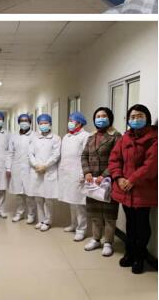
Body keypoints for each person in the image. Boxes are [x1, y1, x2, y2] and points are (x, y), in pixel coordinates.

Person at [108, 104, 158, 274]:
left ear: (147, 118)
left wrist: (132, 179)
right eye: (133, 117)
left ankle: (139, 257)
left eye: (140, 116)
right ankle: (129, 252)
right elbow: (114, 159)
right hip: (125, 189)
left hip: (144, 190)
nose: (136, 119)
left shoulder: (154, 139)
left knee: (142, 225)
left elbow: (151, 165)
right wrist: (119, 177)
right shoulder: (125, 138)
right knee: (130, 223)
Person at [81, 107, 122, 256]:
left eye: (104, 116)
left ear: (110, 118)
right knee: (95, 212)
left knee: (109, 214)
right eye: (98, 116)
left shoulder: (116, 136)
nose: (100, 119)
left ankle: (108, 242)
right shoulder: (91, 137)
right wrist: (87, 172)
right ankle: (96, 239)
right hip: (92, 181)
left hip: (108, 181)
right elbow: (84, 155)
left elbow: (118, 159)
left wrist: (105, 175)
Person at [58, 112, 90, 241]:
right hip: (67, 173)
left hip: (78, 173)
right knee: (71, 201)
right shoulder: (66, 136)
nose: (70, 123)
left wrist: (83, 173)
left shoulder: (85, 136)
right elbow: (64, 156)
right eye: (69, 120)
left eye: (72, 121)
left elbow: (86, 156)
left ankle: (81, 229)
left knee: (79, 203)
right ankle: (73, 224)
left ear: (80, 123)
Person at [28, 114, 61, 231]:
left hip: (49, 171)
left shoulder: (56, 138)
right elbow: (30, 154)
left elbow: (56, 155)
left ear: (50, 124)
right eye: (41, 123)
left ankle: (48, 221)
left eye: (45, 123)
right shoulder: (34, 138)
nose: (43, 125)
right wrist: (36, 165)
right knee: (38, 197)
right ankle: (41, 220)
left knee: (48, 198)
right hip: (37, 171)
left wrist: (45, 166)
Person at [6, 113, 37, 223]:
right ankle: (19, 213)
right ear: (19, 122)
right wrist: (8, 168)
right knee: (19, 193)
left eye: (26, 120)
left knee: (30, 193)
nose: (24, 122)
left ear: (30, 122)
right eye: (22, 121)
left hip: (30, 168)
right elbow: (10, 153)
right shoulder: (13, 136)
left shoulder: (35, 136)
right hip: (17, 168)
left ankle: (31, 214)